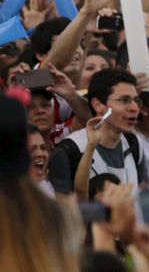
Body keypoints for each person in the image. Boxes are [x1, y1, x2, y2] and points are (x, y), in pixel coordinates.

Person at [0, 93, 81, 272]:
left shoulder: (55, 212)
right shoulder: (59, 215)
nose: (40, 154)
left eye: (43, 148)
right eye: (31, 148)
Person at [48, 69, 148, 195]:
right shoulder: (69, 150)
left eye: (136, 100)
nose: (134, 108)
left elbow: (143, 195)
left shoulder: (135, 143)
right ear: (98, 105)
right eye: (124, 100)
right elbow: (64, 209)